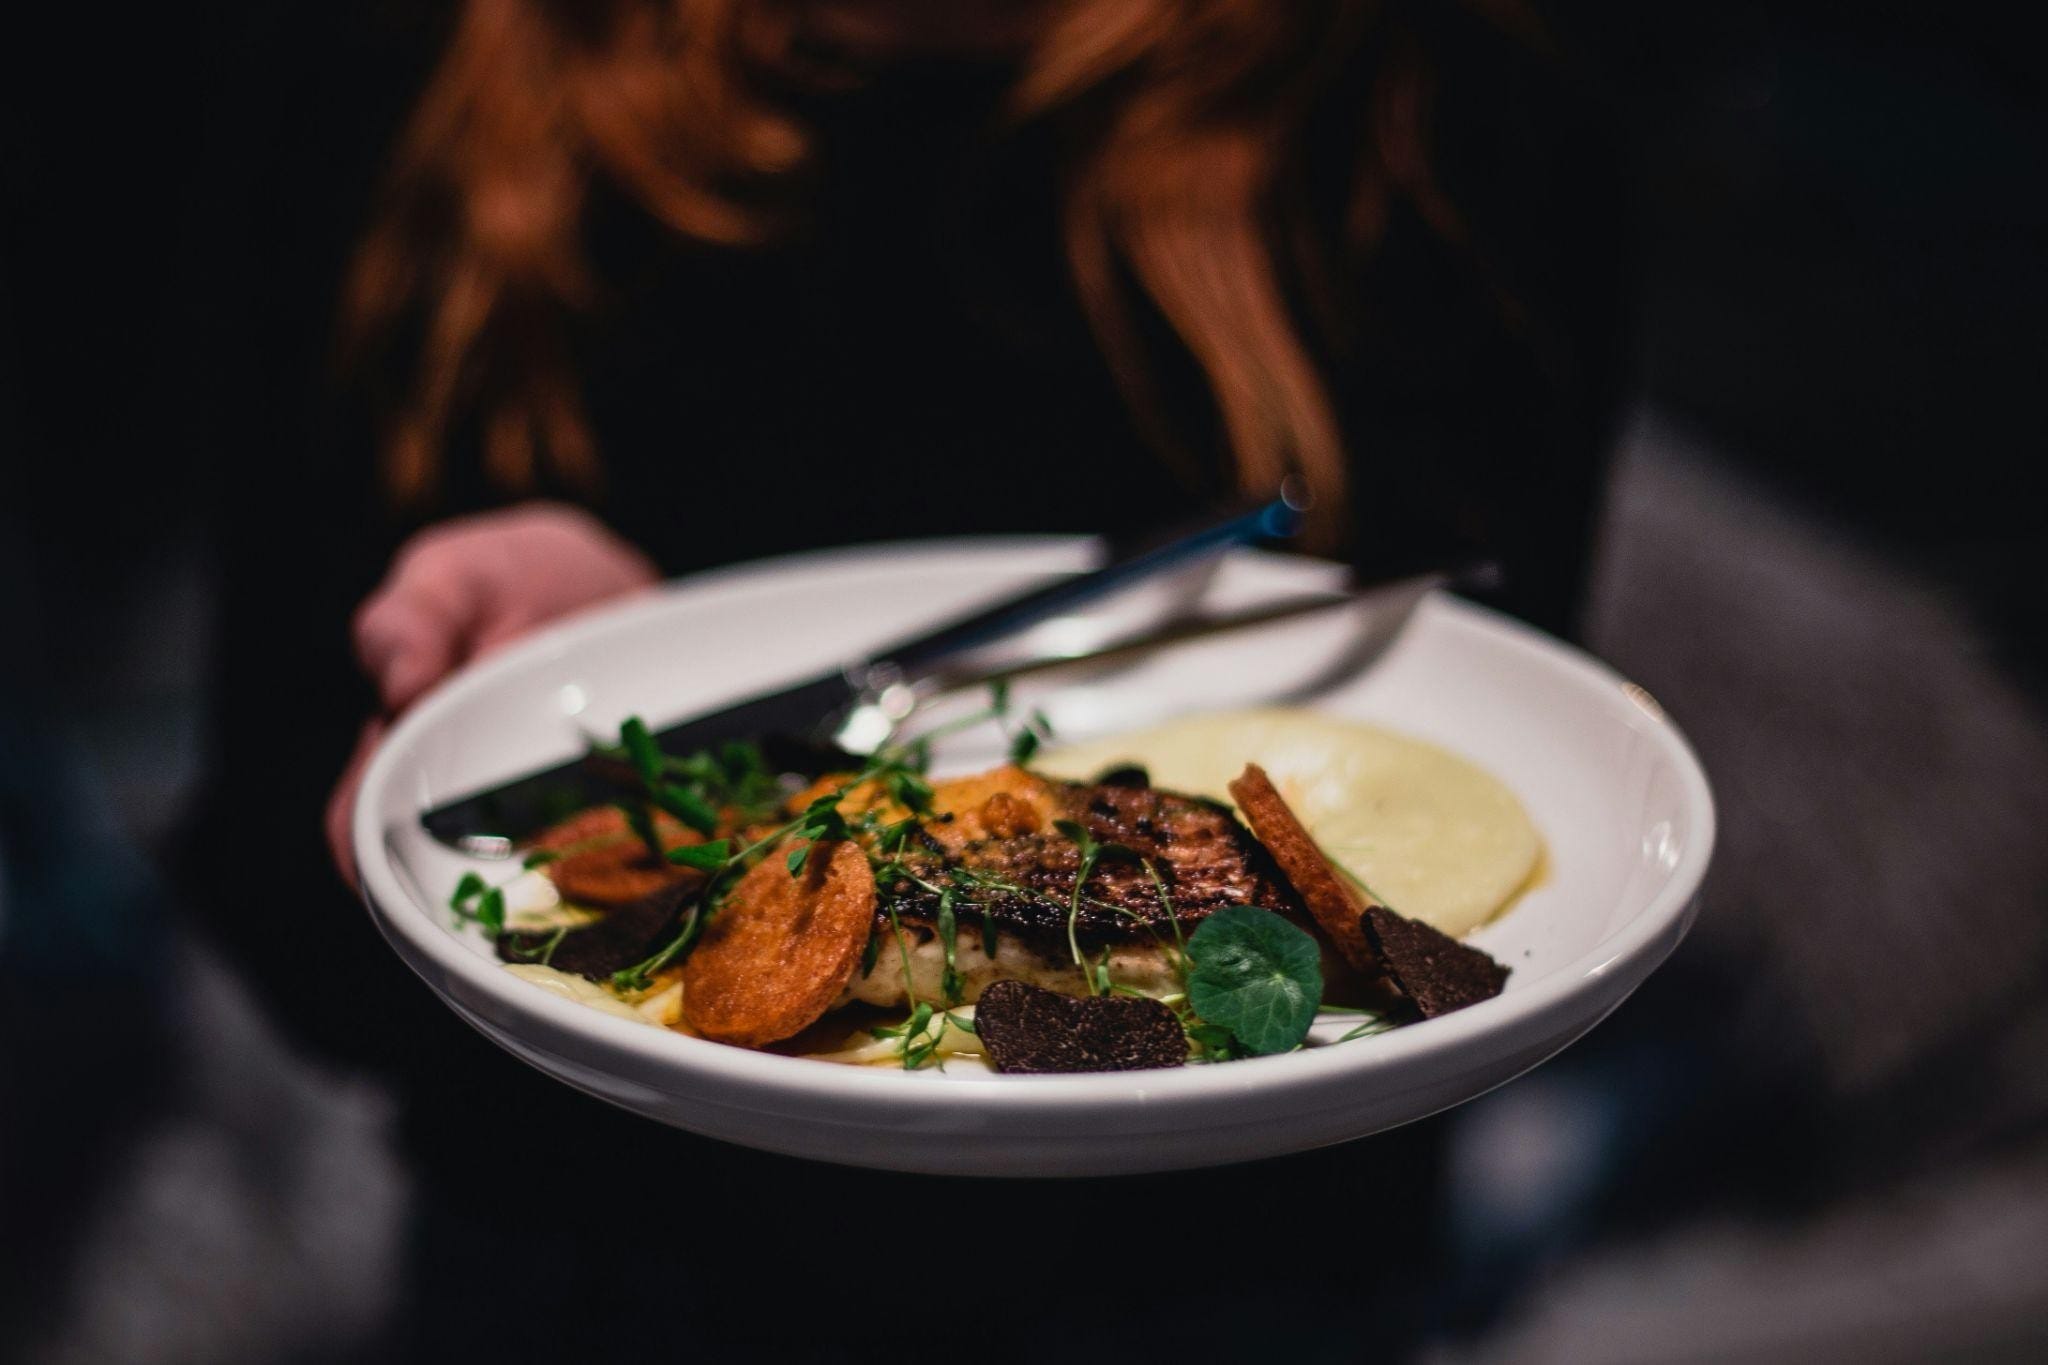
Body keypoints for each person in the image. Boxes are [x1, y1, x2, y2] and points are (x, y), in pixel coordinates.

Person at [176, 0, 1628, 1354]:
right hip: (584, 1276)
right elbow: (270, 874)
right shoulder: (404, 65)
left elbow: (1533, 889)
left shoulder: (1432, 100)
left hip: (1247, 1294)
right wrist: (487, 750)